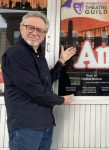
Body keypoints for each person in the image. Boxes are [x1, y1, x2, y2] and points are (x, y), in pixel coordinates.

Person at [2, 12, 76, 150]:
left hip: (44, 123)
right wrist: (60, 100)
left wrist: (61, 61)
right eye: (31, 27)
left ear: (44, 34)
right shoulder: (17, 54)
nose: (35, 33)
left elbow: (46, 80)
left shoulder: (37, 55)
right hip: (26, 125)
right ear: (21, 27)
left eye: (40, 30)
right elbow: (34, 89)